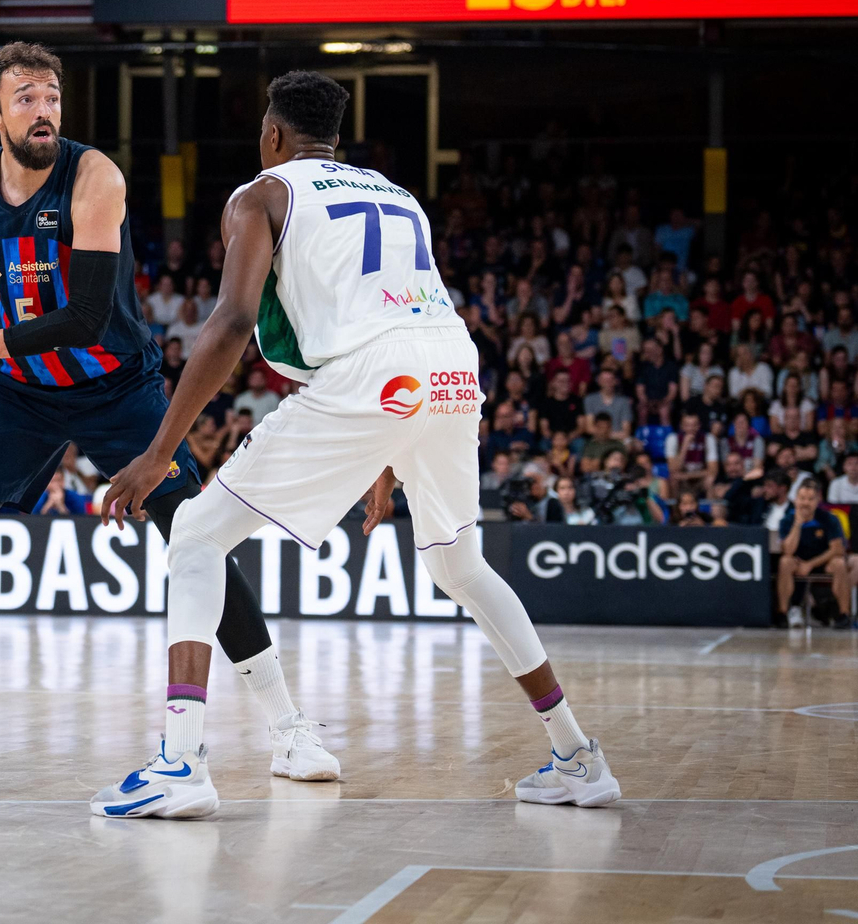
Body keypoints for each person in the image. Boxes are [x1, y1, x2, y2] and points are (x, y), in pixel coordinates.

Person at [92, 72, 618, 819]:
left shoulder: (262, 194)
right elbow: (395, 315)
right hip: (452, 368)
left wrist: (158, 453)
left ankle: (180, 763)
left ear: (272, 135)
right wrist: (388, 451)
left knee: (197, 538)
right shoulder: (397, 194)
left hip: (375, 375)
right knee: (461, 567)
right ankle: (577, 755)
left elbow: (233, 321)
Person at [0, 43, 319, 783]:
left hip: (117, 385)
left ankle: (290, 728)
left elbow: (85, 316)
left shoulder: (95, 177)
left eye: (51, 96)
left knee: (196, 541)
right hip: (21, 390)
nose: (44, 109)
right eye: (25, 98)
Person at [774, 482, 851, 629]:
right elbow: (788, 550)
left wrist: (810, 564)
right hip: (797, 561)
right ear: (796, 499)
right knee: (785, 562)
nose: (806, 503)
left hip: (822, 561)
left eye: (810, 499)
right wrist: (797, 524)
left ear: (817, 501)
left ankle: (843, 615)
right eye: (802, 498)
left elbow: (837, 549)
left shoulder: (829, 518)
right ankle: (782, 613)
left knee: (840, 563)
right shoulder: (787, 520)